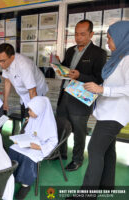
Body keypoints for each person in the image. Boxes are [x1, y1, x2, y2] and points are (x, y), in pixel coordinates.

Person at [81, 21, 129, 191]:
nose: (107, 42)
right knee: (107, 151)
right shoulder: (119, 57)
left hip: (115, 115)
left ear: (122, 38)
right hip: (107, 112)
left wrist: (101, 89)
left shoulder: (128, 59)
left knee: (94, 149)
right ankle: (107, 187)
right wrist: (96, 90)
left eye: (110, 38)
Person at [56, 20, 107, 171]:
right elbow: (66, 70)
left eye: (82, 34)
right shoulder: (70, 50)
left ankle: (77, 159)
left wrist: (80, 76)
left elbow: (99, 79)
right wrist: (59, 65)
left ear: (91, 34)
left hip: (80, 99)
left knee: (79, 132)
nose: (78, 37)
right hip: (65, 94)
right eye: (76, 34)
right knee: (61, 126)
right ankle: (61, 153)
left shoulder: (99, 53)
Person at [9, 96, 58, 200]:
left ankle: (25, 185)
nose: (29, 113)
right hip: (30, 142)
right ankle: (11, 176)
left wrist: (40, 147)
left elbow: (53, 142)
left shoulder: (49, 123)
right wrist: (22, 139)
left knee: (28, 157)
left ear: (39, 111)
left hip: (40, 147)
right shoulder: (33, 118)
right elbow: (28, 132)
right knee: (12, 149)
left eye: (31, 110)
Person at [0, 43, 48, 119]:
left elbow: (32, 91)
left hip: (36, 92)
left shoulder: (24, 65)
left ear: (12, 57)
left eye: (3, 61)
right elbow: (7, 81)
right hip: (24, 93)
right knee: (25, 116)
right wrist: (5, 101)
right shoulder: (5, 64)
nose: (0, 64)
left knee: (34, 117)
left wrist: (33, 110)